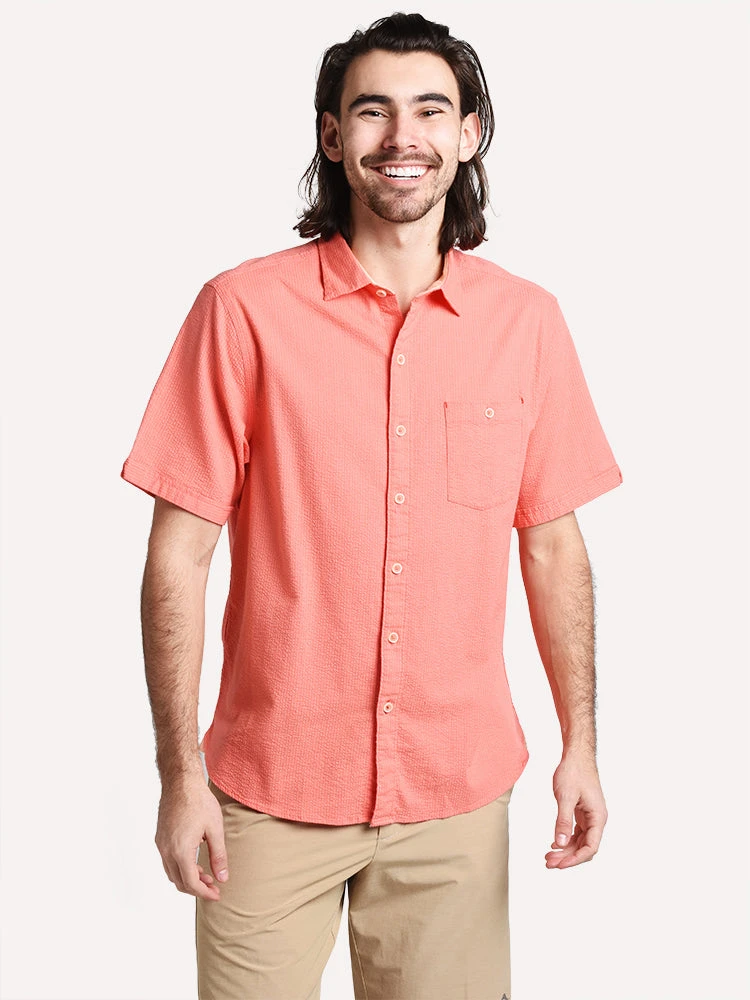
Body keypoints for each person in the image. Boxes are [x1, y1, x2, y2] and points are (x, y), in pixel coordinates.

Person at [121, 11, 623, 999]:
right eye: (372, 110)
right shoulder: (242, 312)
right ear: (332, 134)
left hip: (455, 794)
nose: (403, 136)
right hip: (268, 790)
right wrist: (180, 776)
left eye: (430, 110)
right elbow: (179, 555)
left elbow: (553, 548)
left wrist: (583, 747)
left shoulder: (527, 323)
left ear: (468, 134)